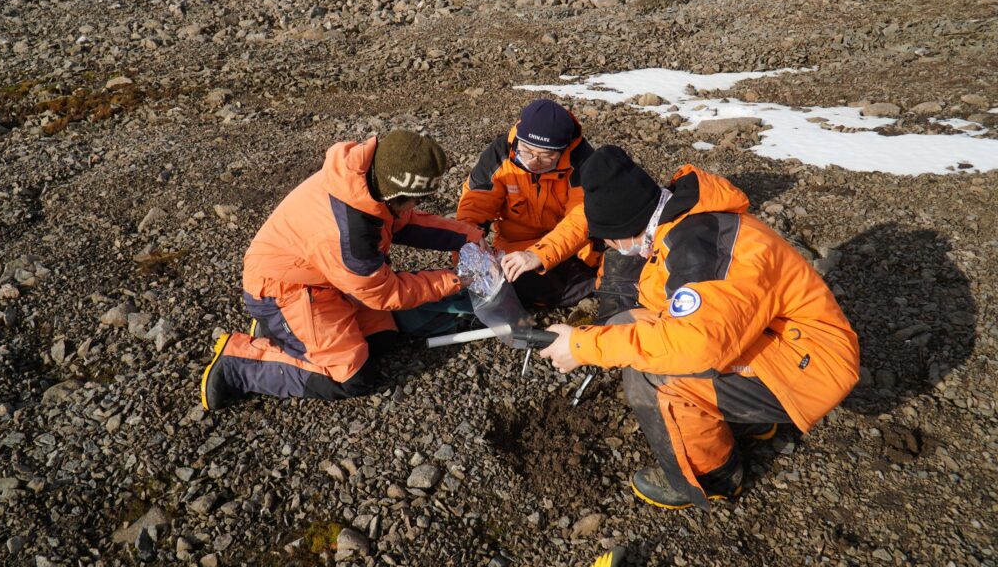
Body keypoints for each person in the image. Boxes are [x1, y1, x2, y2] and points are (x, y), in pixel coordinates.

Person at [540, 146, 860, 510]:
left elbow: (696, 345)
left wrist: (582, 348)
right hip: (774, 340)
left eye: (609, 240)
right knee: (624, 325)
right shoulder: (683, 223)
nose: (610, 248)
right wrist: (597, 337)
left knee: (656, 377)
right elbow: (680, 310)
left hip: (811, 367)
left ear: (627, 227)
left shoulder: (700, 251)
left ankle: (713, 477)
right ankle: (746, 422)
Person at [201, 129, 484, 410]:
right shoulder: (350, 234)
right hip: (284, 290)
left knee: (383, 338)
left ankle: (284, 331)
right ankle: (239, 364)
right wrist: (455, 280)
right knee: (351, 376)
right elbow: (385, 293)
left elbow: (406, 223)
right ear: (397, 192)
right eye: (417, 199)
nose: (417, 206)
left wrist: (468, 237)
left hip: (326, 279)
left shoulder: (365, 183)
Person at [457, 98, 598, 308]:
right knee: (504, 282)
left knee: (606, 264)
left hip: (571, 247)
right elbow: (474, 206)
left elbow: (580, 219)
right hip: (513, 249)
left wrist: (538, 254)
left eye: (546, 155)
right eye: (527, 151)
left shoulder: (583, 162)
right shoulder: (499, 156)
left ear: (563, 150)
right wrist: (468, 246)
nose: (533, 162)